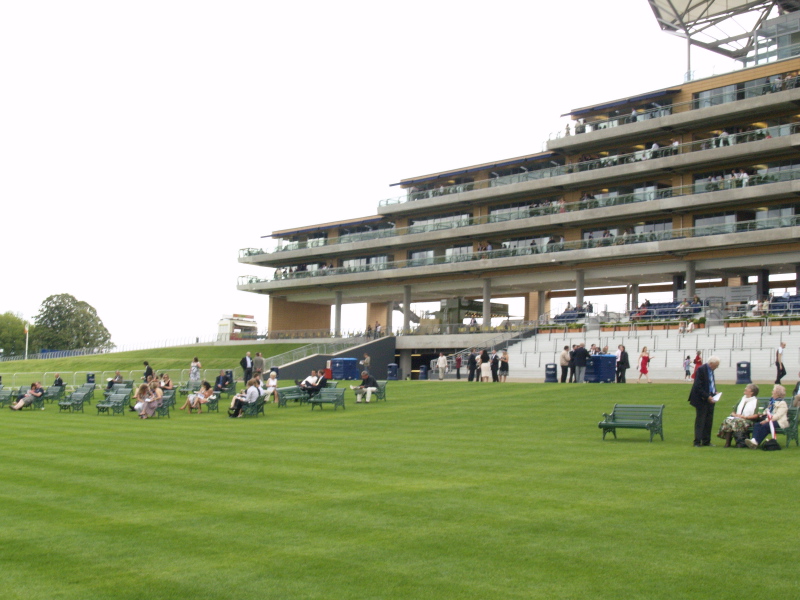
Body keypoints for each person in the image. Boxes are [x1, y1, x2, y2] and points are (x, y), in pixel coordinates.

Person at [688, 356, 720, 447]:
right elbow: (698, 386)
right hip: (701, 399)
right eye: (716, 365)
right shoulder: (701, 370)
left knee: (709, 420)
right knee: (700, 420)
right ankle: (697, 441)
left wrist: (714, 392)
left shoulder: (711, 370)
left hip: (710, 397)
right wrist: (707, 396)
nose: (716, 367)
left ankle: (706, 441)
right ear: (711, 363)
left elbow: (711, 383)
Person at [717, 383, 760, 447]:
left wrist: (745, 417)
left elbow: (756, 415)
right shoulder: (742, 399)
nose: (745, 389)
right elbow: (733, 412)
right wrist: (735, 415)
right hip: (738, 418)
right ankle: (727, 442)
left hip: (749, 421)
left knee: (737, 422)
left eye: (747, 388)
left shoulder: (755, 401)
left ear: (751, 392)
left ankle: (740, 442)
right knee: (728, 420)